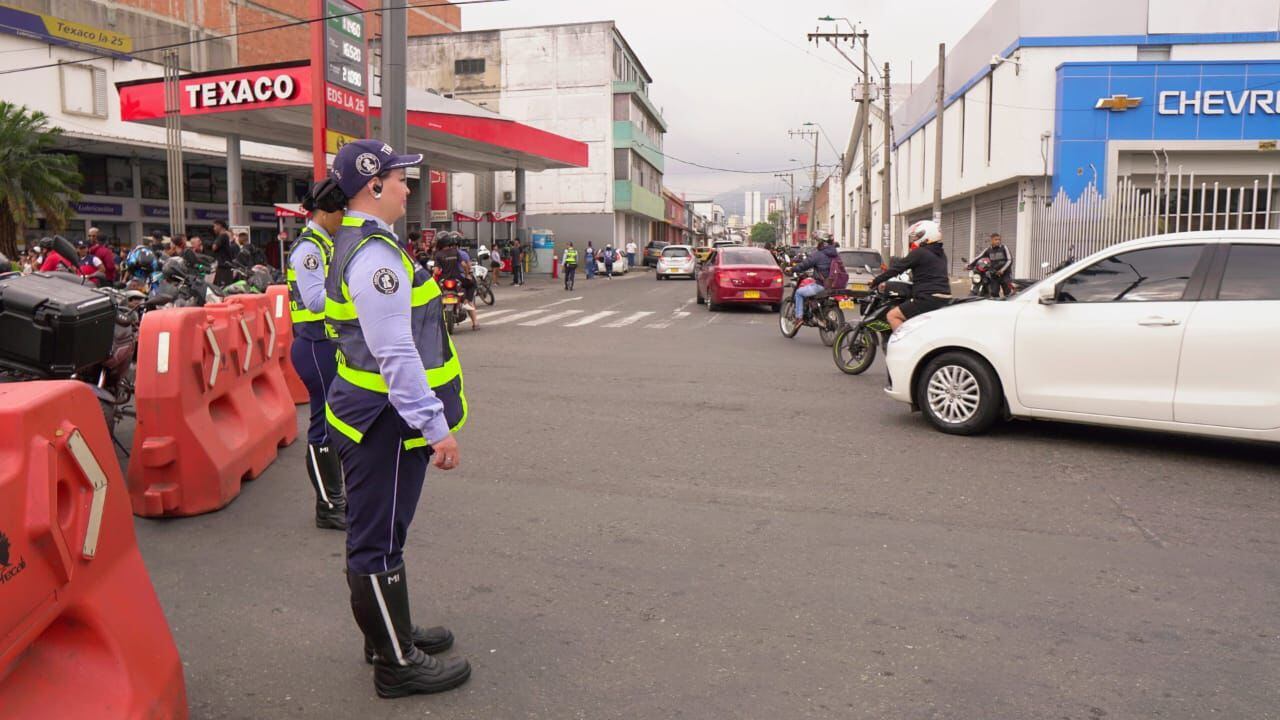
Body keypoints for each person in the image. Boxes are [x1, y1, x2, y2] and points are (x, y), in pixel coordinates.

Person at [323, 139, 471, 698]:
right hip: (382, 420)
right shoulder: (375, 256)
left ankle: (391, 633)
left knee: (387, 534)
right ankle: (395, 662)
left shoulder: (367, 243)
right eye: (400, 177)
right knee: (377, 542)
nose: (409, 186)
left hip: (372, 415)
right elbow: (396, 353)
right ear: (373, 185)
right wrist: (437, 429)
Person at [288, 178, 347, 530]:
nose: (345, 218)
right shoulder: (310, 249)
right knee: (323, 427)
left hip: (325, 345)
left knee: (333, 424)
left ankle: (335, 499)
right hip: (315, 345)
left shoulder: (326, 243)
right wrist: (356, 296)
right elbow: (314, 300)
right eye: (341, 211)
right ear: (325, 212)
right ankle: (328, 506)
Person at [869, 219, 952, 331]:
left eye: (918, 235)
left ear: (927, 235)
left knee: (892, 315)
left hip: (927, 299)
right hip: (944, 297)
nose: (915, 239)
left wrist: (876, 281)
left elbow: (896, 269)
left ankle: (904, 346)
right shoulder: (941, 254)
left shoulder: (919, 253)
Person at [790, 236, 839, 322]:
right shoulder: (835, 254)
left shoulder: (818, 254)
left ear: (822, 243)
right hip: (835, 285)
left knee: (798, 293)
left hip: (822, 285)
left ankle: (799, 318)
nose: (817, 244)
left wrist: (792, 269)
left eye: (818, 242)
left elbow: (804, 265)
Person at [969, 233, 1013, 297]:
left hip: (1005, 274)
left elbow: (1010, 260)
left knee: (1008, 293)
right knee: (994, 293)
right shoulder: (988, 250)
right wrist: (969, 265)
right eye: (996, 239)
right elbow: (978, 257)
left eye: (999, 239)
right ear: (991, 240)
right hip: (994, 275)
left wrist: (1002, 270)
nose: (998, 241)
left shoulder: (1004, 247)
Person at [211, 219, 236, 286]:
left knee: (222, 288)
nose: (214, 229)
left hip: (223, 268)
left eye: (215, 226)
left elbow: (214, 247)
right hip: (227, 267)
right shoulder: (227, 237)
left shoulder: (223, 236)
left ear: (219, 226)